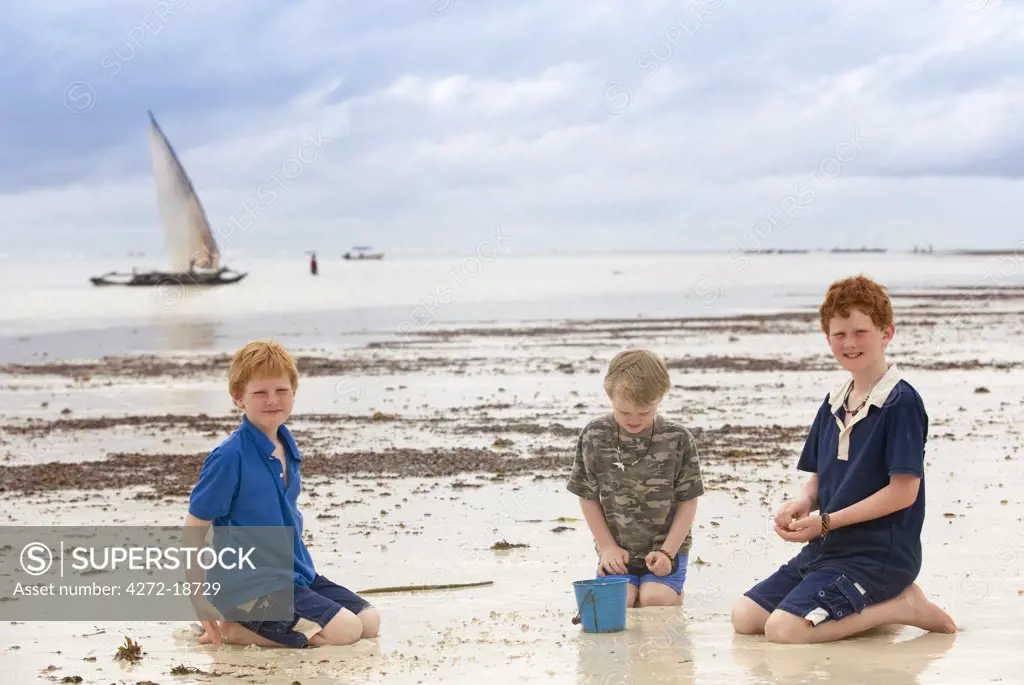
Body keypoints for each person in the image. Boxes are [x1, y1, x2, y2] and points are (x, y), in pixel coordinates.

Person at [731, 275, 957, 643]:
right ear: (828, 340)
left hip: (878, 555)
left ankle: (903, 606)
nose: (850, 343)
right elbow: (821, 476)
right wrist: (803, 503)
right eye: (840, 335)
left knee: (784, 631)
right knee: (745, 617)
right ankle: (868, 610)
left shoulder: (901, 403)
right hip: (827, 548)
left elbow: (903, 493)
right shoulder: (835, 400)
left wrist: (826, 522)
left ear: (887, 333)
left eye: (860, 332)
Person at [184, 339, 380, 647]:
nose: (272, 400)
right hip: (249, 586)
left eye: (281, 391)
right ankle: (236, 630)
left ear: (294, 393)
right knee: (346, 631)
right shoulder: (228, 457)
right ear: (238, 398)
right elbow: (194, 527)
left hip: (295, 573)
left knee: (369, 621)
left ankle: (281, 626)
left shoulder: (288, 447)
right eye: (260, 393)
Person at [566, 348, 704, 608]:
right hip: (618, 549)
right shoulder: (594, 436)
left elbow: (688, 502)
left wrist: (667, 552)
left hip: (667, 547)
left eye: (644, 412)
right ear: (610, 397)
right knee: (621, 602)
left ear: (660, 399)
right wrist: (607, 547)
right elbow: (587, 497)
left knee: (655, 599)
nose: (634, 420)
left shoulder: (679, 439)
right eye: (624, 412)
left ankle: (674, 592)